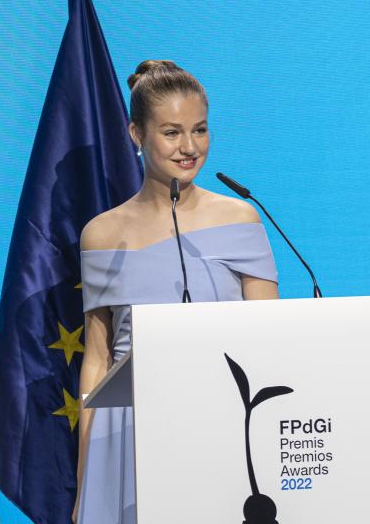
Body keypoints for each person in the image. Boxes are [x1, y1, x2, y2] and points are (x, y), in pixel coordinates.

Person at [73, 60, 279, 523]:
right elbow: (97, 359)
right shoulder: (103, 234)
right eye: (171, 133)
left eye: (200, 130)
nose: (189, 148)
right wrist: (88, 474)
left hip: (219, 424)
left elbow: (271, 342)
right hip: (127, 431)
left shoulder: (240, 219)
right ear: (136, 134)